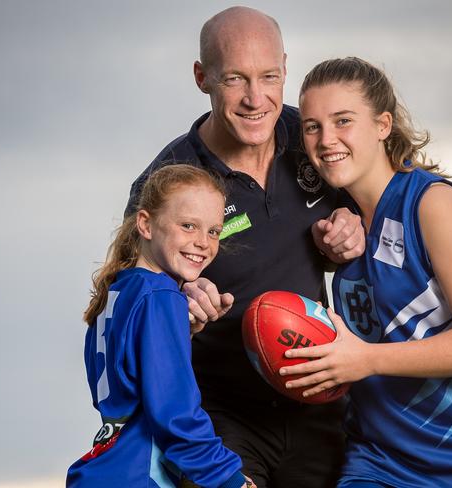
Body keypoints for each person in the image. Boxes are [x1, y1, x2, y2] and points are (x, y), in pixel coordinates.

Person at [281, 57, 452, 487]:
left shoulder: (431, 204)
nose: (326, 139)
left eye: (343, 121)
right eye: (312, 126)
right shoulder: (337, 224)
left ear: (383, 124)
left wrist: (365, 360)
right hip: (381, 464)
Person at [125, 7, 364, 488]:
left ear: (285, 69)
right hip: (220, 416)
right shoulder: (166, 181)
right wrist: (180, 307)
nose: (256, 99)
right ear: (202, 77)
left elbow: (382, 198)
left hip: (319, 398)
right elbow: (130, 303)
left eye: (269, 76)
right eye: (235, 79)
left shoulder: (315, 137)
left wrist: (353, 222)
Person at [67, 165, 252, 487]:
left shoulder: (118, 292)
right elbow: (174, 410)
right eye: (188, 226)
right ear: (146, 224)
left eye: (213, 231)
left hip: (104, 469)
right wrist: (225, 477)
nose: (203, 242)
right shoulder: (161, 296)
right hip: (136, 475)